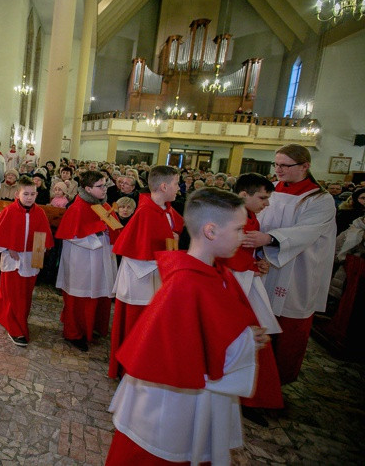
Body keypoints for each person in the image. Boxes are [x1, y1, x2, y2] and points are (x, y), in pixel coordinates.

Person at [106, 188, 268, 465]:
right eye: (239, 229)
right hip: (171, 401)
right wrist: (246, 341)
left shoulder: (213, 272)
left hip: (197, 393)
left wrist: (244, 336)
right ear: (211, 231)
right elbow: (182, 354)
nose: (244, 237)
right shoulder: (185, 283)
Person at [242, 144, 336, 385]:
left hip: (298, 270)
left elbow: (307, 231)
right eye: (276, 164)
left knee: (289, 327)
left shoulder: (319, 199)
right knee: (259, 318)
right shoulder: (270, 191)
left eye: (285, 165)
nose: (278, 170)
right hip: (263, 264)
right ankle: (254, 380)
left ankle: (280, 381)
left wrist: (269, 239)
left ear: (305, 166)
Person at [217, 173, 284, 423]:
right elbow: (224, 251)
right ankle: (241, 395)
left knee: (254, 337)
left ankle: (252, 395)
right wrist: (251, 264)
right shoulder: (227, 215)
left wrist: (257, 262)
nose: (266, 203)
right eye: (262, 197)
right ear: (244, 195)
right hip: (232, 282)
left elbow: (245, 250)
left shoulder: (251, 216)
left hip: (245, 279)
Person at [109, 165, 183, 378]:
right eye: (176, 184)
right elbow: (136, 251)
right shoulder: (145, 212)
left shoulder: (165, 210)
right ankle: (128, 370)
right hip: (139, 279)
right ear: (163, 186)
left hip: (155, 276)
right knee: (135, 326)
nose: (178, 188)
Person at [55, 171, 119, 351]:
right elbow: (71, 235)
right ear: (88, 189)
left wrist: (108, 231)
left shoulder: (104, 205)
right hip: (81, 261)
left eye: (105, 185)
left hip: (101, 259)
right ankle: (74, 333)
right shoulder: (77, 208)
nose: (104, 189)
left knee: (99, 292)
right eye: (100, 186)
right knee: (80, 296)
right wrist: (99, 233)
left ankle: (93, 328)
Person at [0, 176, 54, 346]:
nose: (29, 197)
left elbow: (44, 238)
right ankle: (16, 328)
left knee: (24, 295)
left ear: (37, 194)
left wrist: (40, 252)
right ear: (18, 194)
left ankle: (0, 312)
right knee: (12, 294)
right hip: (12, 259)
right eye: (26, 194)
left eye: (33, 194)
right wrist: (9, 248)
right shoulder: (9, 211)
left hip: (30, 260)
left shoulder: (39, 212)